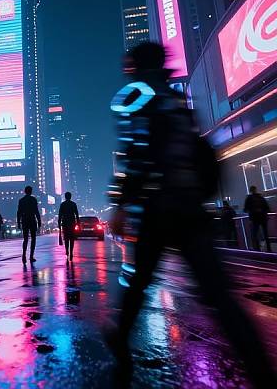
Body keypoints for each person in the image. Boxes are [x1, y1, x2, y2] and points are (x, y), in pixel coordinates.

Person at [107, 42, 276, 388]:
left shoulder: (135, 95)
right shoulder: (176, 97)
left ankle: (120, 339)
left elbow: (136, 150)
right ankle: (259, 365)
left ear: (136, 65)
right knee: (217, 292)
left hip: (158, 206)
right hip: (189, 205)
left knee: (139, 281)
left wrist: (123, 202)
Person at [17, 186, 42, 264]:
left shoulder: (21, 200)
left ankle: (24, 255)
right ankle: (31, 256)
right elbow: (36, 211)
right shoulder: (33, 199)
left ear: (25, 191)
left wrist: (18, 222)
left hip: (24, 220)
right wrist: (39, 221)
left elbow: (19, 213)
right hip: (32, 220)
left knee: (25, 239)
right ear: (31, 191)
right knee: (33, 239)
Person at [244, 186, 272, 252]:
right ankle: (269, 249)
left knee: (255, 234)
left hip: (255, 218)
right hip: (263, 217)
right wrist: (263, 211)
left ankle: (257, 250)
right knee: (266, 234)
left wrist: (252, 211)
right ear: (256, 190)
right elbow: (267, 207)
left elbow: (245, 209)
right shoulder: (261, 197)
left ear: (250, 191)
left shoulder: (249, 198)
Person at [58, 192, 80, 262]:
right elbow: (76, 214)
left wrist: (59, 223)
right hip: (72, 223)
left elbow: (60, 215)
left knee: (66, 238)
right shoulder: (73, 204)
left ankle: (67, 251)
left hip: (64, 223)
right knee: (72, 239)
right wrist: (78, 223)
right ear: (70, 197)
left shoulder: (62, 204)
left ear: (65, 197)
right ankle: (71, 252)